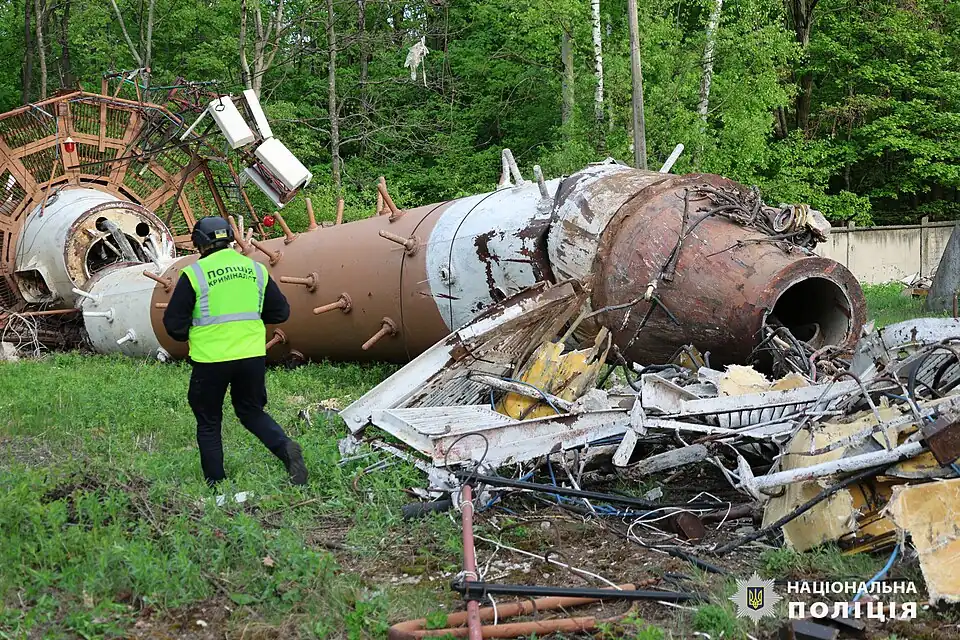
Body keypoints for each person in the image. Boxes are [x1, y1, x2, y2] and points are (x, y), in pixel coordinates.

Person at [162, 216, 308, 487]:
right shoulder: (255, 269)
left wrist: (191, 334)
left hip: (211, 360)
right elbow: (281, 312)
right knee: (251, 410)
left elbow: (174, 325)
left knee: (208, 420)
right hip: (252, 356)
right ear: (230, 238)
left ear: (199, 243)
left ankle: (217, 485)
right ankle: (285, 447)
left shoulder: (195, 274)